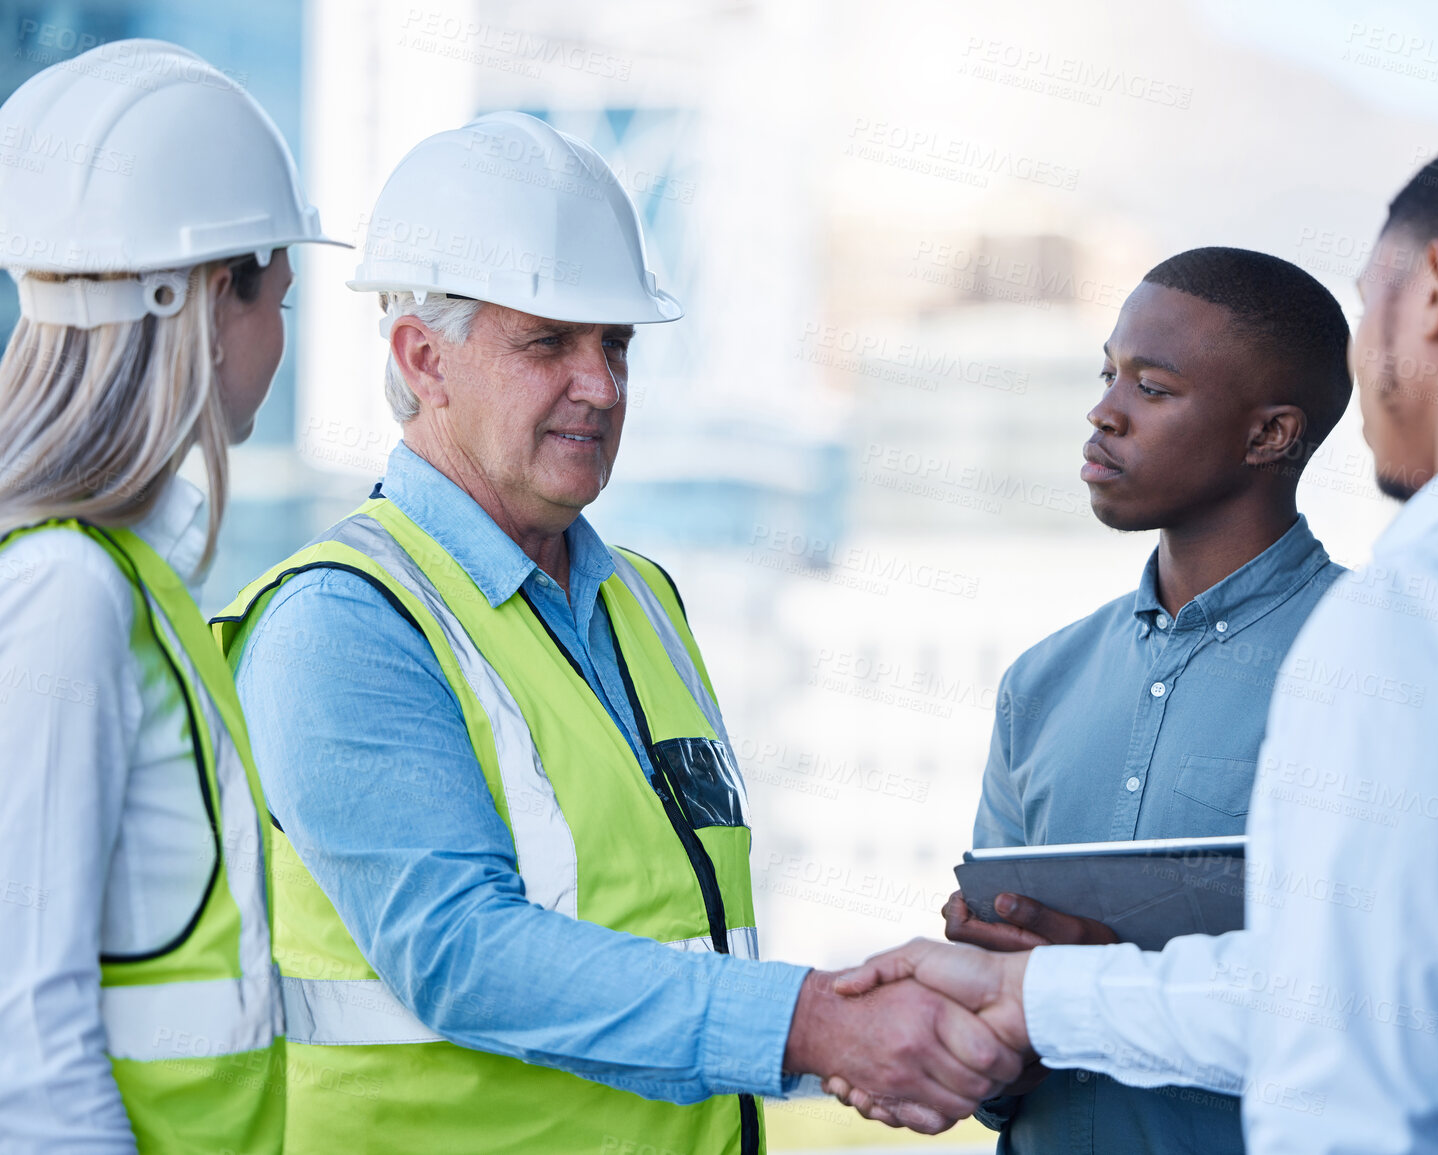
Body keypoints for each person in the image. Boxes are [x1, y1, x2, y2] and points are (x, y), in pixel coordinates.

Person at [833, 120, 1438, 1155]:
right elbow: (1350, 987)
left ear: (1434, 288)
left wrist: (1035, 990)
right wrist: (1036, 991)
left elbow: (1345, 1057)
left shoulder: (1422, 610)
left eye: (1368, 301)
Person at [215, 112, 1018, 1155]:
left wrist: (889, 995)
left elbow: (673, 924)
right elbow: (461, 952)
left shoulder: (642, 602)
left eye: (617, 343)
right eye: (550, 342)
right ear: (424, 358)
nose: (600, 384)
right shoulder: (343, 622)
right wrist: (814, 1022)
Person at [0, 40, 343, 1154]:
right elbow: (29, 1057)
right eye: (275, 296)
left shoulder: (133, 580)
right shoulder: (68, 595)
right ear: (206, 295)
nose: (281, 339)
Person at [938, 247, 1351, 1155]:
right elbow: (984, 1021)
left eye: (1152, 388)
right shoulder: (1039, 681)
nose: (1103, 410)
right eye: (1106, 372)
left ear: (1270, 435)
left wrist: (1099, 992)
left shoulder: (1380, 666)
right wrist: (986, 1007)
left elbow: (1388, 1010)